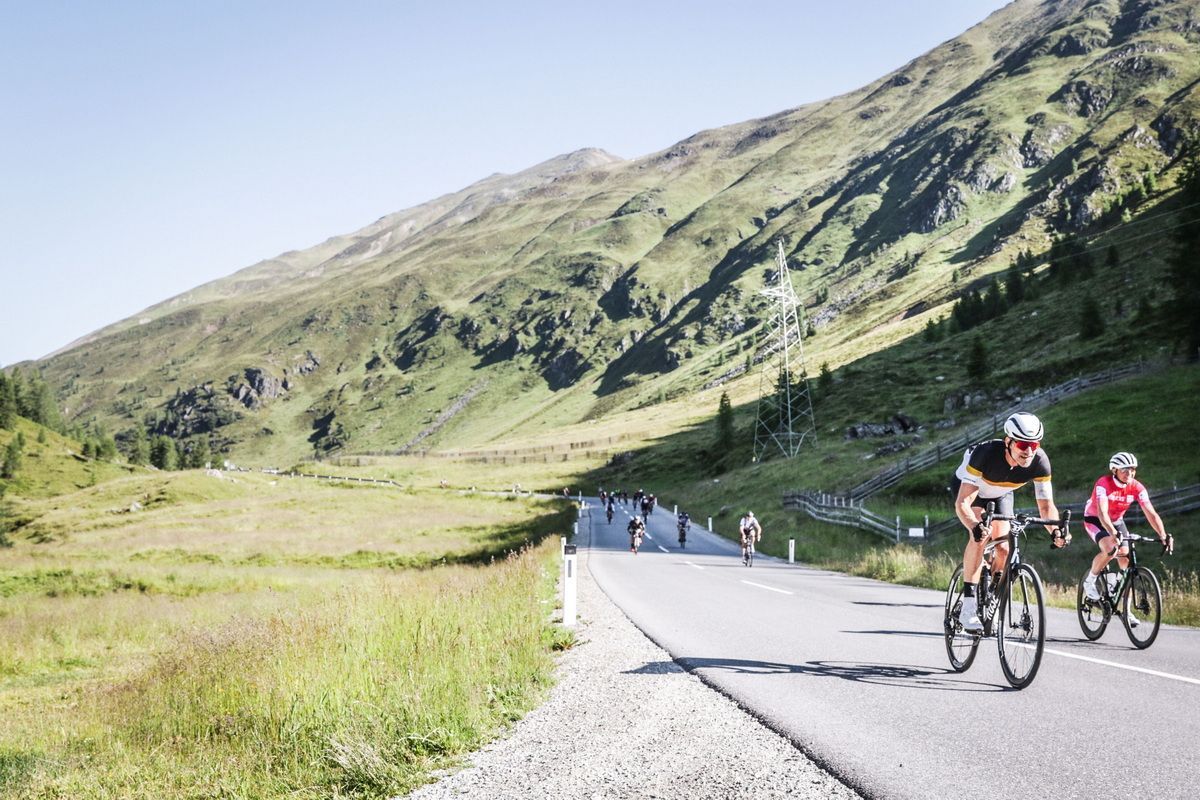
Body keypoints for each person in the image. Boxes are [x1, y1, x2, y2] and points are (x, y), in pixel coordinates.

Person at [953, 412, 1068, 633]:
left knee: (1003, 548)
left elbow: (1046, 507)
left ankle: (991, 602)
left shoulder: (1040, 461)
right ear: (1008, 441)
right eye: (1024, 445)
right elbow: (962, 503)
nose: (1029, 451)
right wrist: (974, 526)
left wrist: (1055, 531)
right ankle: (968, 606)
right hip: (971, 491)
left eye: (1034, 444)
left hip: (1002, 494)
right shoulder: (984, 454)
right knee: (981, 536)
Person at [1081, 452, 1173, 611]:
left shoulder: (1137, 487)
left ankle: (1126, 609)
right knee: (1111, 549)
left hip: (1116, 521)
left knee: (1126, 560)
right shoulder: (1103, 483)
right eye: (1124, 470)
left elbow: (1150, 513)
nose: (1129, 473)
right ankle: (1090, 581)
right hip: (1096, 519)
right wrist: (1112, 532)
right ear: (1114, 470)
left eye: (1132, 469)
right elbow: (1102, 513)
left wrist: (1163, 535)